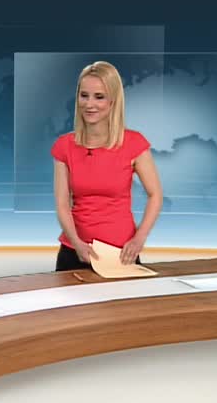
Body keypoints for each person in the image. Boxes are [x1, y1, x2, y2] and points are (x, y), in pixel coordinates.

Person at [50, 61, 163, 271]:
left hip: (122, 254)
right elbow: (62, 203)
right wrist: (76, 243)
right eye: (84, 95)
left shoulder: (134, 143)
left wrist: (139, 238)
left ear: (113, 101)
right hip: (74, 251)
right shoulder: (64, 146)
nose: (89, 104)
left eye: (99, 97)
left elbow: (155, 195)